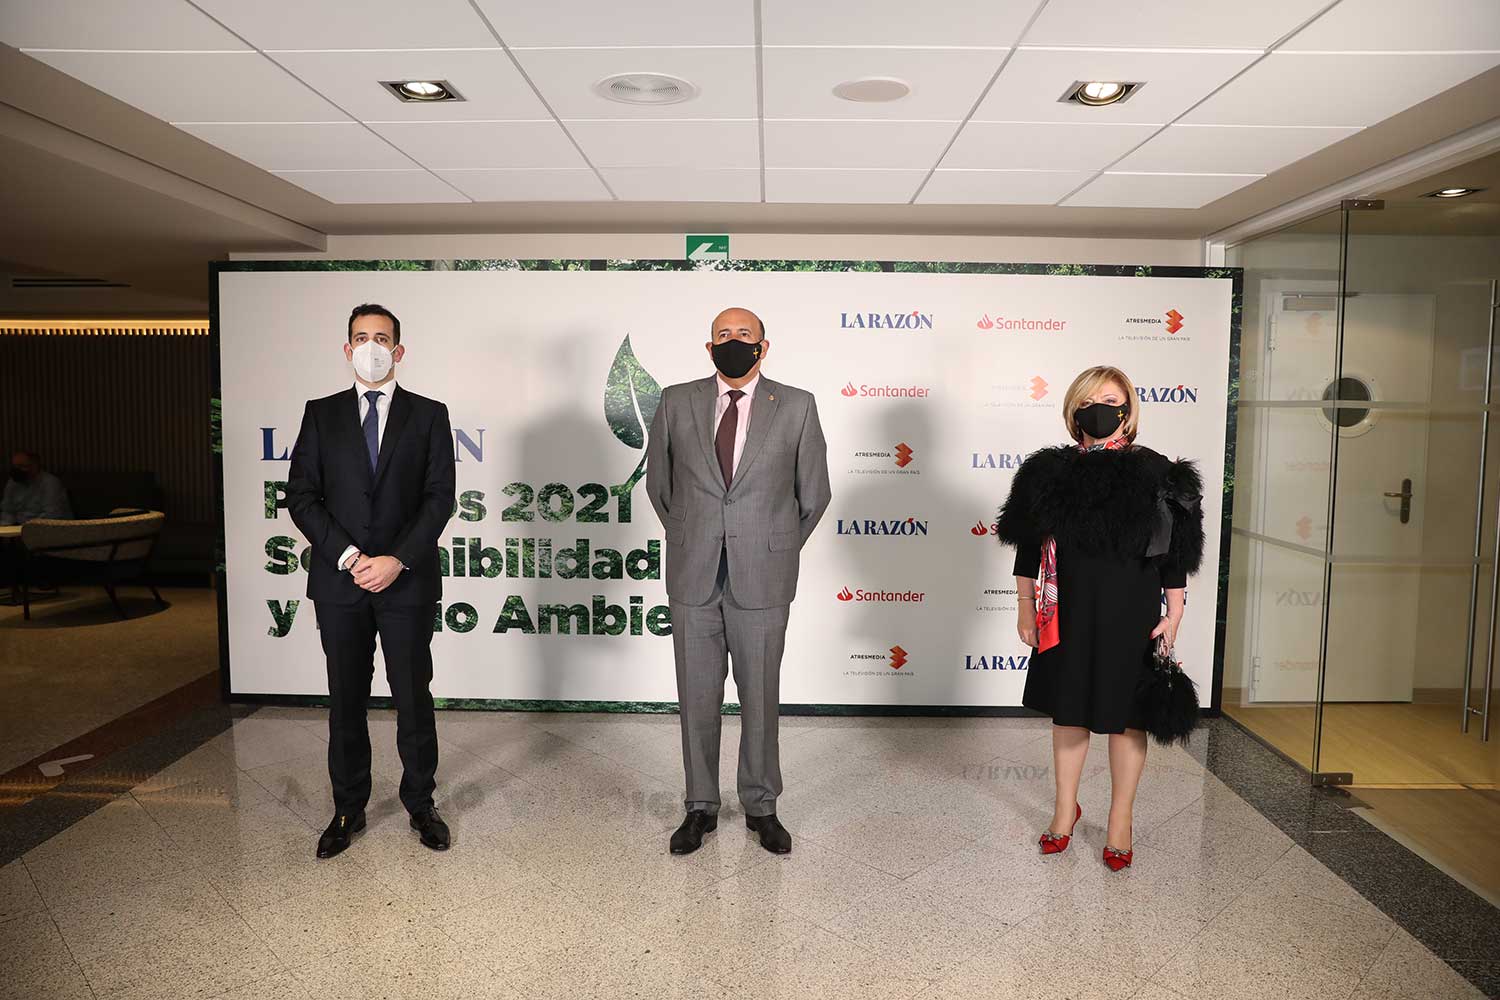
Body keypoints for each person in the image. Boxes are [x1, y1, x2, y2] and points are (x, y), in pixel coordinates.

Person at [994, 365, 1203, 871]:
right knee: (1068, 712)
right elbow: (1028, 547)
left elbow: (1174, 550)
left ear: (1127, 411)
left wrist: (1175, 611)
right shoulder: (1048, 472)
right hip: (1063, 608)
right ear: (1073, 410)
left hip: (1131, 608)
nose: (1099, 410)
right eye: (1088, 401)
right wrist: (1025, 607)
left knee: (1127, 716)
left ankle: (1120, 819)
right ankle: (1065, 810)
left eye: (1110, 401)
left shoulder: (1157, 472)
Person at [646, 306, 832, 856]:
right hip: (693, 574)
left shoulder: (796, 405)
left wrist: (773, 546)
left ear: (762, 346)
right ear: (709, 348)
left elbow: (814, 494)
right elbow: (660, 486)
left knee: (761, 695)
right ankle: (700, 806)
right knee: (696, 697)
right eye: (722, 335)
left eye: (743, 334)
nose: (733, 341)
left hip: (764, 576)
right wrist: (693, 535)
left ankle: (761, 805)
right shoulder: (675, 401)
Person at [286, 303, 456, 859]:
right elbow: (301, 497)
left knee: (413, 695)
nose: (371, 346)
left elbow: (439, 498)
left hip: (406, 582)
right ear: (347, 349)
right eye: (361, 337)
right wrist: (350, 556)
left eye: (381, 337)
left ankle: (421, 804)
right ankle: (347, 808)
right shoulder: (320, 414)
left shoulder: (429, 414)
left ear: (398, 350)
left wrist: (397, 560)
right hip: (341, 584)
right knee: (346, 698)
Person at [2, 450, 72, 524]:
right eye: (14, 466)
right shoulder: (12, 483)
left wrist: (27, 525)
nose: (17, 470)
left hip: (47, 527)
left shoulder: (50, 483)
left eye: (21, 466)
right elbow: (7, 509)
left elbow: (52, 514)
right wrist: (6, 525)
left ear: (34, 466)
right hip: (19, 526)